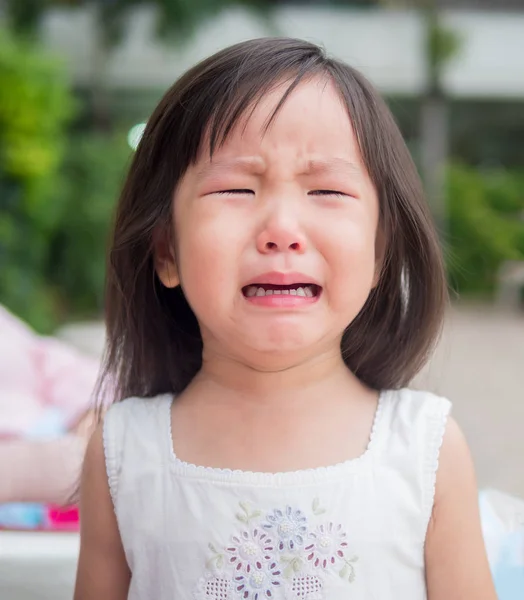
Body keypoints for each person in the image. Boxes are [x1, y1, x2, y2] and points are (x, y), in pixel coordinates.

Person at [74, 38, 496, 600]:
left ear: (379, 252)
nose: (282, 228)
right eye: (235, 188)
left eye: (325, 189)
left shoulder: (424, 447)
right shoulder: (126, 451)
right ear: (166, 251)